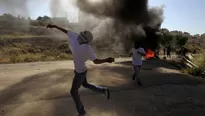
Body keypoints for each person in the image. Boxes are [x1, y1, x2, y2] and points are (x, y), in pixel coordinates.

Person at [46, 24, 114, 116]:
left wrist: (106, 59)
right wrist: (55, 26)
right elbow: (66, 31)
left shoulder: (87, 48)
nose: (80, 35)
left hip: (80, 72)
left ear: (84, 38)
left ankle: (81, 111)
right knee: (85, 84)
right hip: (82, 70)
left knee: (73, 92)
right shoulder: (76, 38)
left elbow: (95, 61)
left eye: (82, 35)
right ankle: (103, 90)